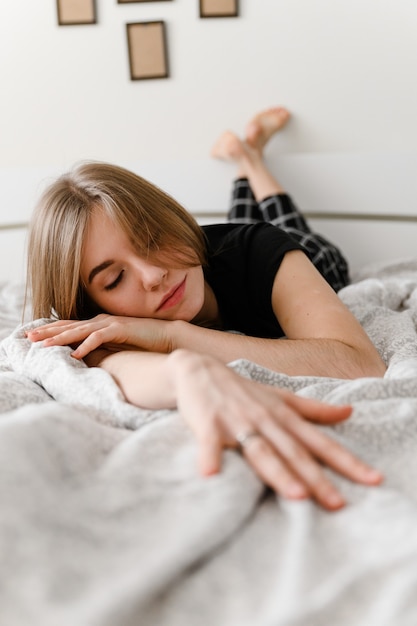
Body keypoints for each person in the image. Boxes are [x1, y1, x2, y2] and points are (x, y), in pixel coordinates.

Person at [26, 106, 386, 511]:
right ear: (92, 304)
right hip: (222, 248)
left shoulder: (260, 250)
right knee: (240, 219)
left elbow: (361, 365)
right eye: (114, 279)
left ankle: (250, 159)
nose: (153, 275)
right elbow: (111, 367)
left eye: (150, 237)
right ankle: (242, 162)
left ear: (173, 217)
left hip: (312, 261)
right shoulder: (105, 324)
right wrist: (184, 370)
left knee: (283, 223)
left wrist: (176, 336)